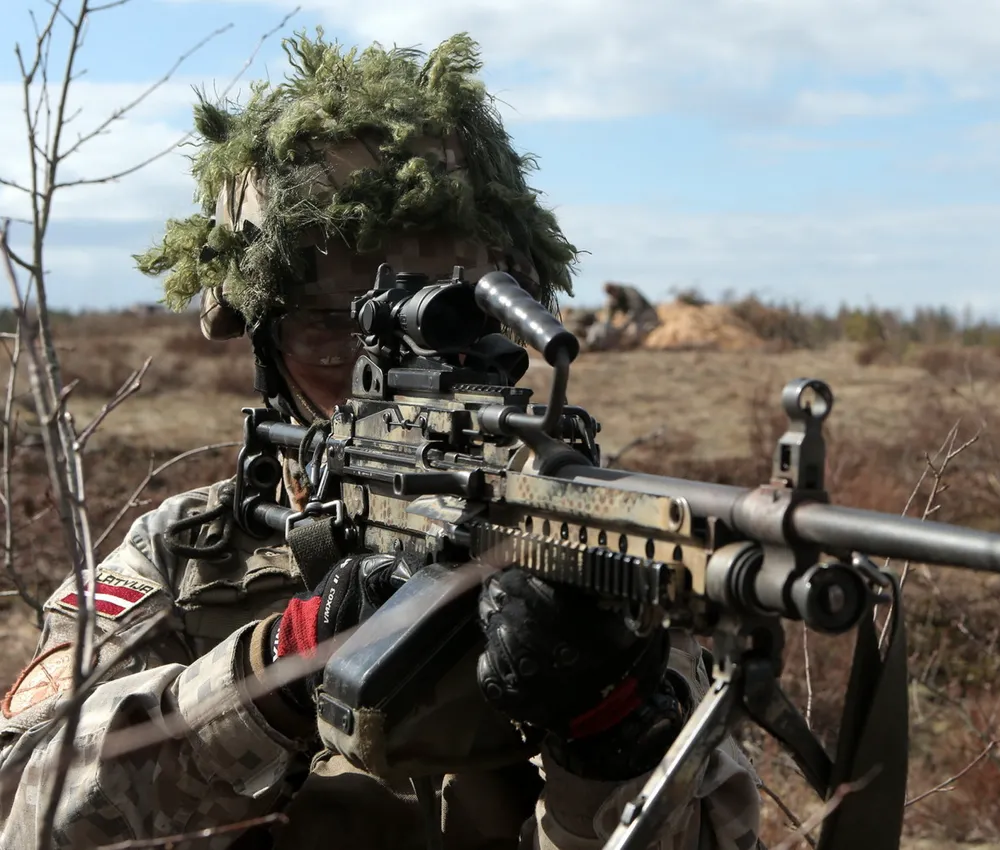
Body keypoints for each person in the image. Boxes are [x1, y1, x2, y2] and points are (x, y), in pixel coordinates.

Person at [0, 30, 762, 849]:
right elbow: (22, 809)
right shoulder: (189, 564)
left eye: (456, 331)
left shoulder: (588, 553)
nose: (380, 372)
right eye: (330, 330)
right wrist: (270, 672)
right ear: (264, 344)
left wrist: (609, 729)